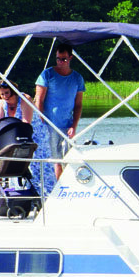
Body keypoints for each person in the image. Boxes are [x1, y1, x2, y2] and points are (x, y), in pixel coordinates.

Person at [34, 43, 85, 180]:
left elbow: (78, 104)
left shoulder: (77, 78)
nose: (61, 62)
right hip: (49, 124)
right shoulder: (47, 74)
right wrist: (42, 120)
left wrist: (74, 125)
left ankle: (69, 186)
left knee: (69, 159)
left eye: (64, 59)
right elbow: (38, 99)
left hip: (67, 125)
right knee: (56, 160)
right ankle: (59, 188)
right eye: (58, 59)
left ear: (70, 58)